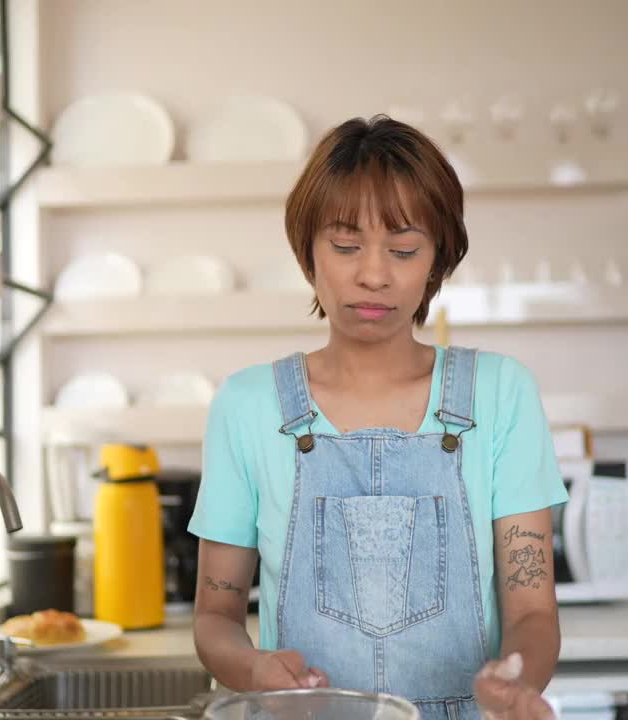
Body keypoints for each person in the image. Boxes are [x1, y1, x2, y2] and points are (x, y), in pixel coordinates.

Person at [188, 115, 567, 720]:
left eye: (403, 249)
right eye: (344, 246)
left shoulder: (502, 393)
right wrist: (254, 668)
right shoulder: (248, 405)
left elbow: (531, 612)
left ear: (437, 258)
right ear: (307, 251)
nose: (373, 274)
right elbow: (215, 614)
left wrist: (516, 680)